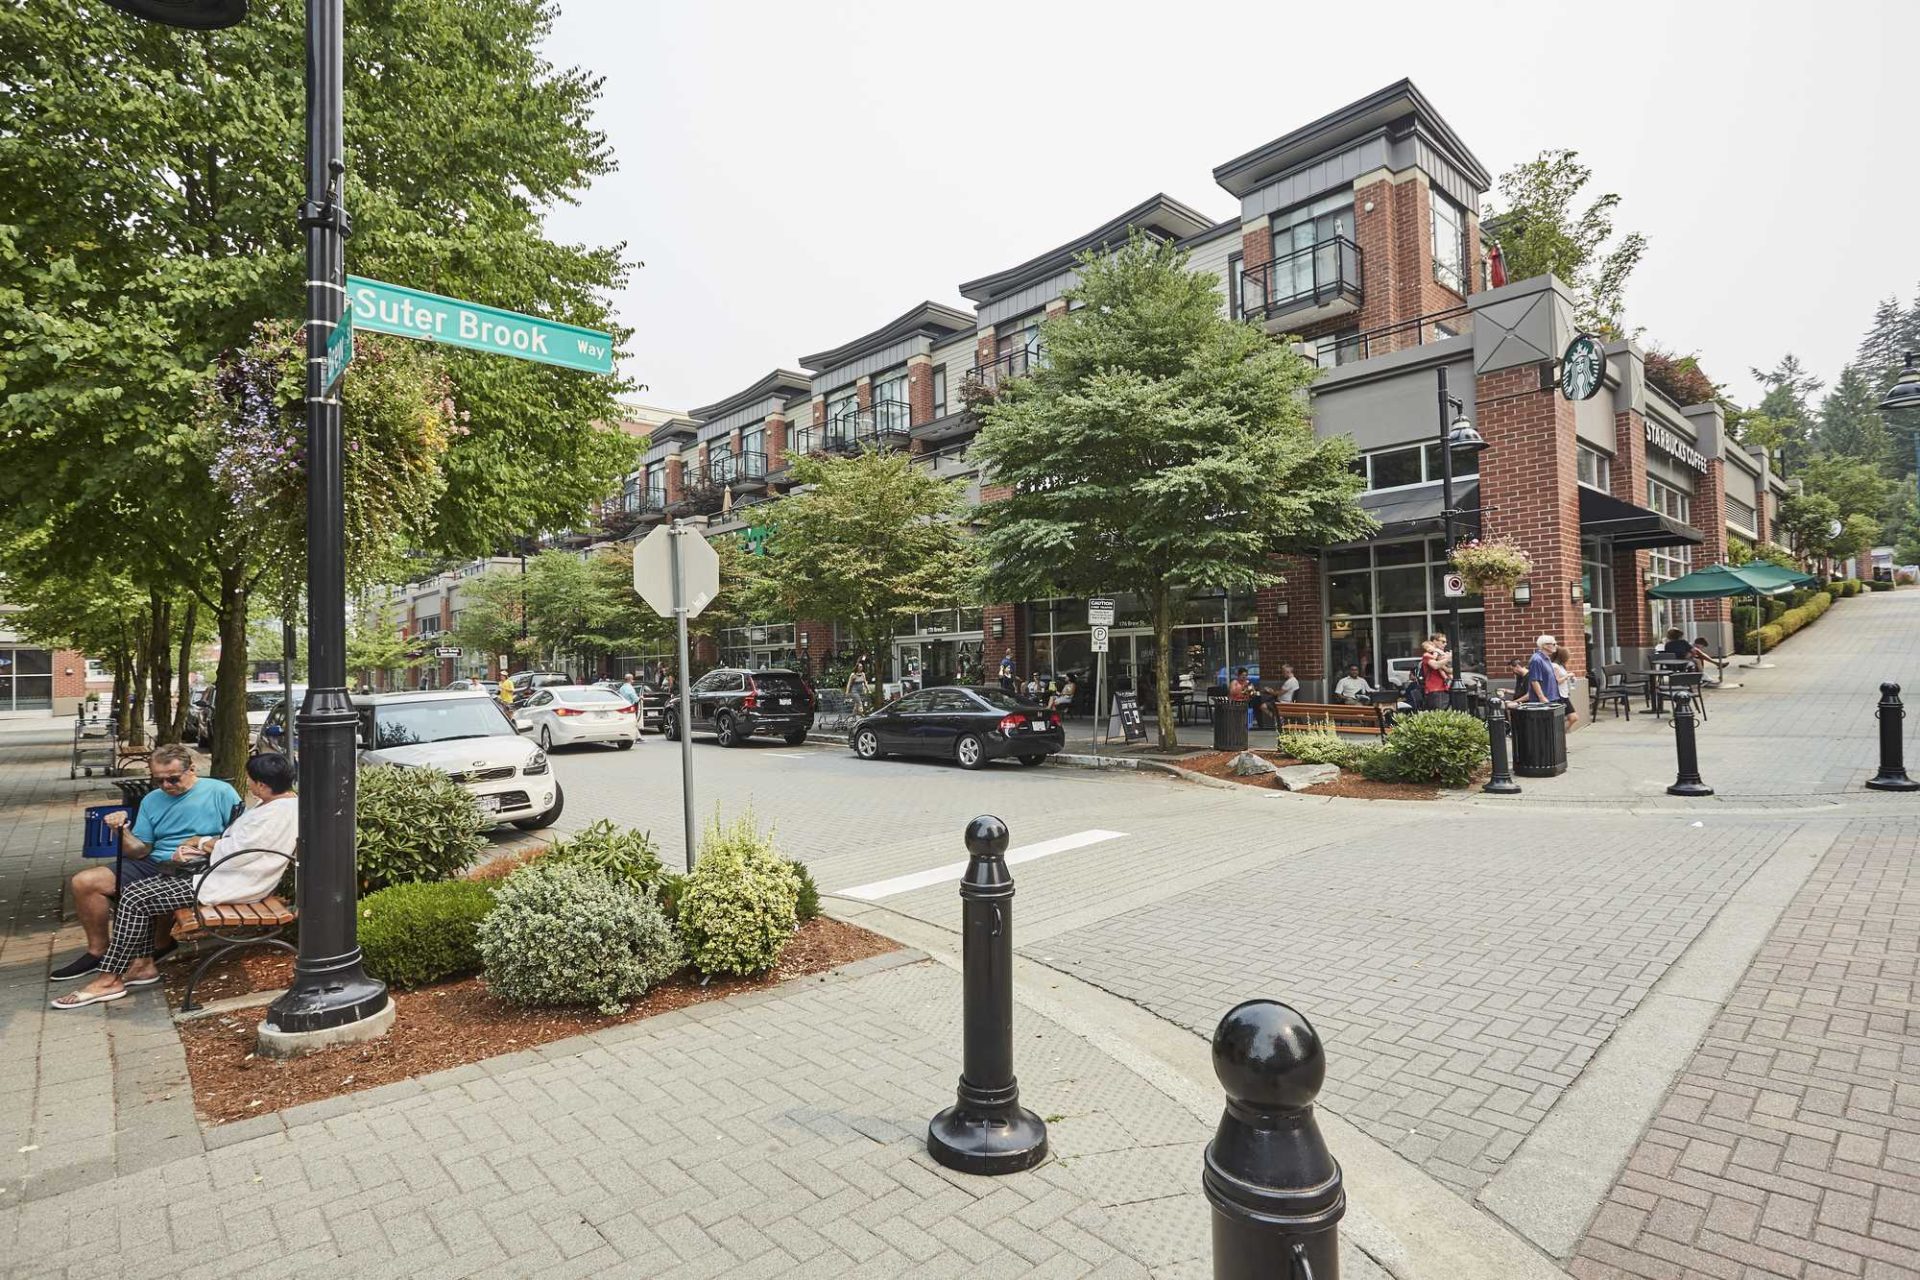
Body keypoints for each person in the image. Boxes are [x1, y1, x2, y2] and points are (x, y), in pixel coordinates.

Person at [53, 753, 299, 1009]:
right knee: (137, 893)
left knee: (136, 898)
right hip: (224, 877)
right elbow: (239, 845)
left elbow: (236, 852)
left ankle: (109, 980)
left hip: (228, 884)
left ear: (262, 785)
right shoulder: (277, 805)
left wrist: (200, 843)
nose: (247, 784)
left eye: (250, 780)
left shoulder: (274, 813)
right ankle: (142, 966)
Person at [51, 744, 242, 982]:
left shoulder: (220, 792)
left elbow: (238, 836)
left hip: (195, 864)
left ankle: (158, 946)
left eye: (172, 779)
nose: (166, 786)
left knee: (149, 889)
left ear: (192, 769)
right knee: (84, 882)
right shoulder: (152, 799)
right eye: (158, 781)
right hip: (154, 861)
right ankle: (98, 951)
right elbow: (140, 851)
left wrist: (203, 846)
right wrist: (121, 831)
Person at [1523, 635, 1561, 705]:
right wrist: (1541, 697)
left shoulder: (1546, 658)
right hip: (1543, 701)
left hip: (1552, 698)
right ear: (1545, 646)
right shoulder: (1536, 660)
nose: (1556, 646)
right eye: (1554, 644)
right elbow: (1534, 680)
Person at [1418, 635, 1452, 710]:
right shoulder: (1427, 655)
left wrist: (1445, 664)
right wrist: (1448, 659)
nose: (1445, 644)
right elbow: (1435, 666)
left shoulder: (1442, 654)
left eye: (1446, 642)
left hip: (1445, 688)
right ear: (1434, 641)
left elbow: (1450, 670)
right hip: (1434, 690)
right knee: (1438, 714)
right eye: (1443, 642)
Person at [1551, 644, 1580, 726]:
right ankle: (1558, 735)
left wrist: (1570, 677)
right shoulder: (1555, 666)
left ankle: (1560, 734)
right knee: (1571, 717)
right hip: (1559, 695)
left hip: (1564, 694)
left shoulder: (1561, 666)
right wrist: (1567, 676)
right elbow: (1556, 682)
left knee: (1573, 717)